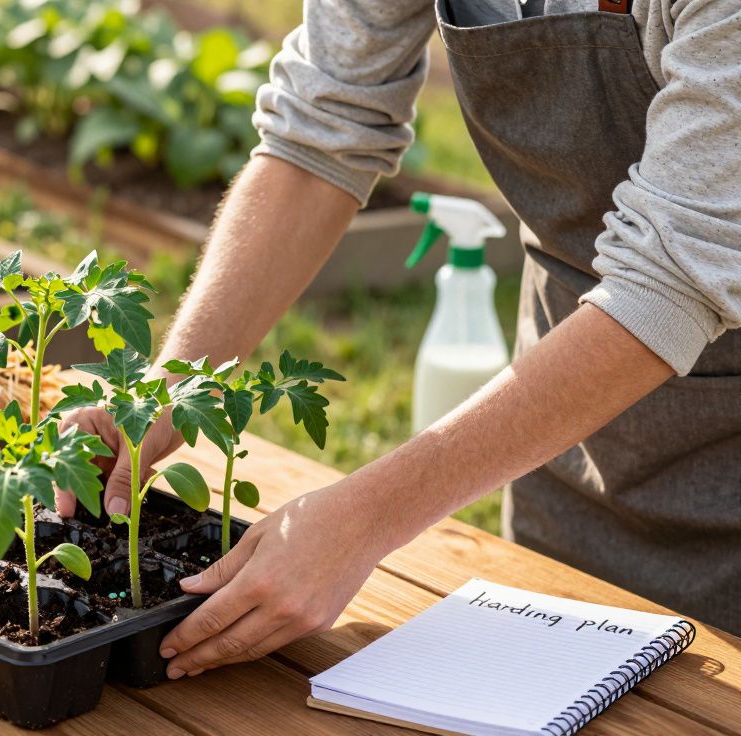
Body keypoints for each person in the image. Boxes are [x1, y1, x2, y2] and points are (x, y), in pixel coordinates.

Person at [54, 0, 741, 680]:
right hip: (568, 421)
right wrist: (168, 387)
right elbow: (322, 127)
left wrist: (363, 520)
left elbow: (671, 280)